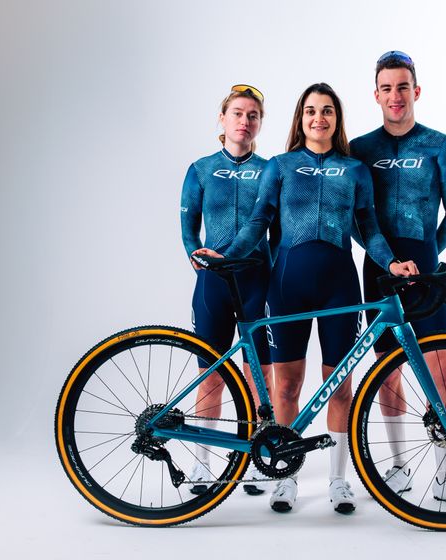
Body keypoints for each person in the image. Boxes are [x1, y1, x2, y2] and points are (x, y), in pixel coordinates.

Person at [196, 83, 417, 514]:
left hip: (340, 288)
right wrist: (229, 254)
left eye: (328, 111)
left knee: (340, 386)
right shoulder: (280, 166)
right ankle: (287, 477)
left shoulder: (355, 170)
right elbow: (258, 222)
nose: (320, 118)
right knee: (289, 385)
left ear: (337, 119)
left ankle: (339, 480)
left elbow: (369, 229)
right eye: (311, 111)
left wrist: (390, 263)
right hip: (288, 288)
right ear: (300, 119)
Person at [350, 51, 446, 508]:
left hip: (426, 270)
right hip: (380, 270)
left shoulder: (439, 144)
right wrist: (388, 260)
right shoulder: (361, 149)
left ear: (416, 91)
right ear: (376, 95)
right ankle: (400, 466)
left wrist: (426, 258)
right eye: (386, 88)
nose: (395, 96)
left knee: (441, 365)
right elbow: (358, 221)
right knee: (389, 366)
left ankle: (445, 475)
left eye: (402, 87)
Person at [180, 84, 275, 497]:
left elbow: (279, 227)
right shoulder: (201, 169)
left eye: (253, 115)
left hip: (257, 279)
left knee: (260, 376)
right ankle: (204, 465)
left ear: (259, 123)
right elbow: (188, 222)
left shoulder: (271, 169)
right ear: (222, 119)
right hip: (213, 283)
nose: (245, 121)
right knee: (210, 374)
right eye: (238, 113)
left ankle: (256, 461)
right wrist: (192, 253)